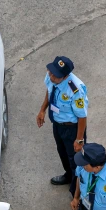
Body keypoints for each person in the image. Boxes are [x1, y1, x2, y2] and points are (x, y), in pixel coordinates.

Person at [36, 56, 88, 200]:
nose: (51, 76)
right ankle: (68, 176)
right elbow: (49, 90)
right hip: (58, 124)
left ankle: (77, 195)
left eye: (55, 75)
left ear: (65, 76)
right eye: (51, 72)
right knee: (63, 153)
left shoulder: (75, 90)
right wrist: (42, 110)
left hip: (72, 129)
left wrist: (79, 140)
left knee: (76, 161)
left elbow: (82, 116)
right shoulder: (52, 77)